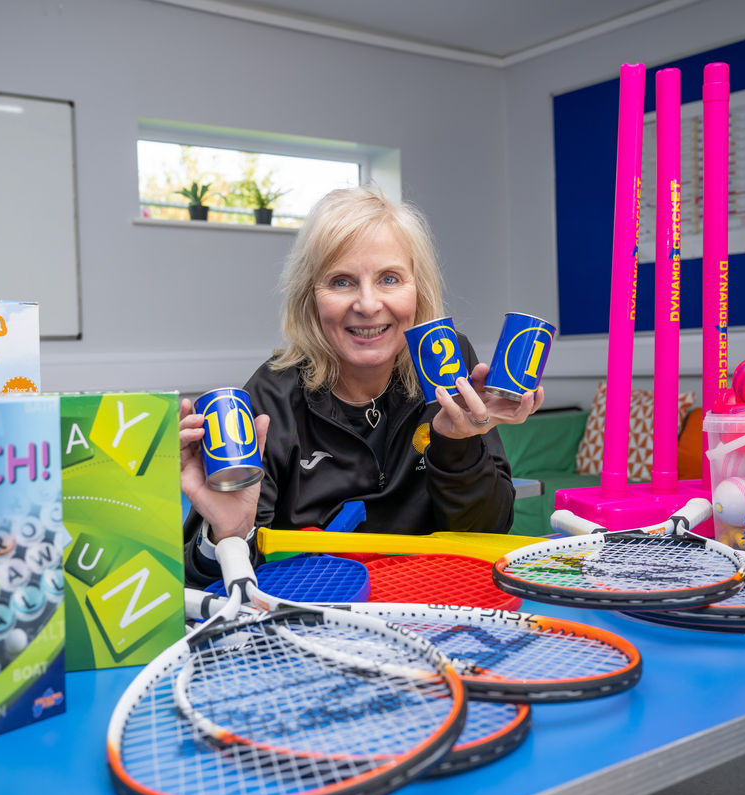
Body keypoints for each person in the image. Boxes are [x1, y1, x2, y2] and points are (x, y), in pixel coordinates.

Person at [179, 186, 545, 586]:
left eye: (390, 278)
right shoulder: (271, 394)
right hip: (315, 619)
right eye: (341, 282)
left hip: (433, 610)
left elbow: (485, 535)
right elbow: (210, 586)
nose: (368, 304)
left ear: (418, 289)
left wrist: (457, 444)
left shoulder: (450, 365)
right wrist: (230, 534)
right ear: (310, 298)